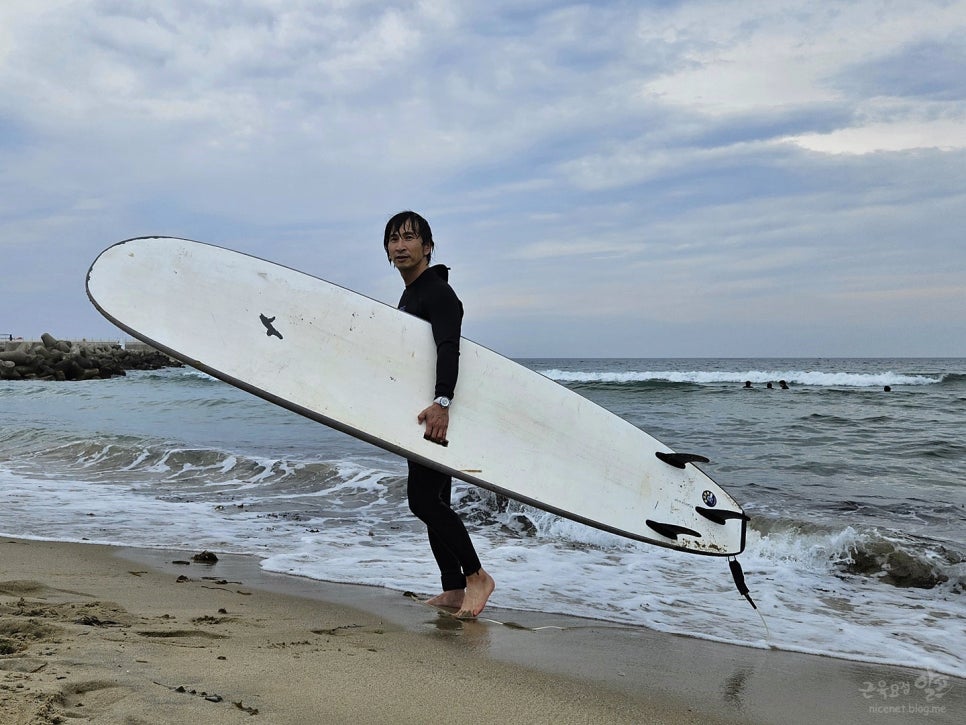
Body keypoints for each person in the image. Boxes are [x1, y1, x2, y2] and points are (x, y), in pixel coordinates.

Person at [383, 210, 495, 618]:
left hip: (436, 409)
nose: (401, 245)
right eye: (394, 238)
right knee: (435, 499)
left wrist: (443, 402)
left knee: (422, 501)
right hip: (423, 409)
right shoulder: (412, 294)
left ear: (427, 246)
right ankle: (452, 587)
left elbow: (449, 347)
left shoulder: (438, 293)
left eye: (410, 238)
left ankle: (476, 576)